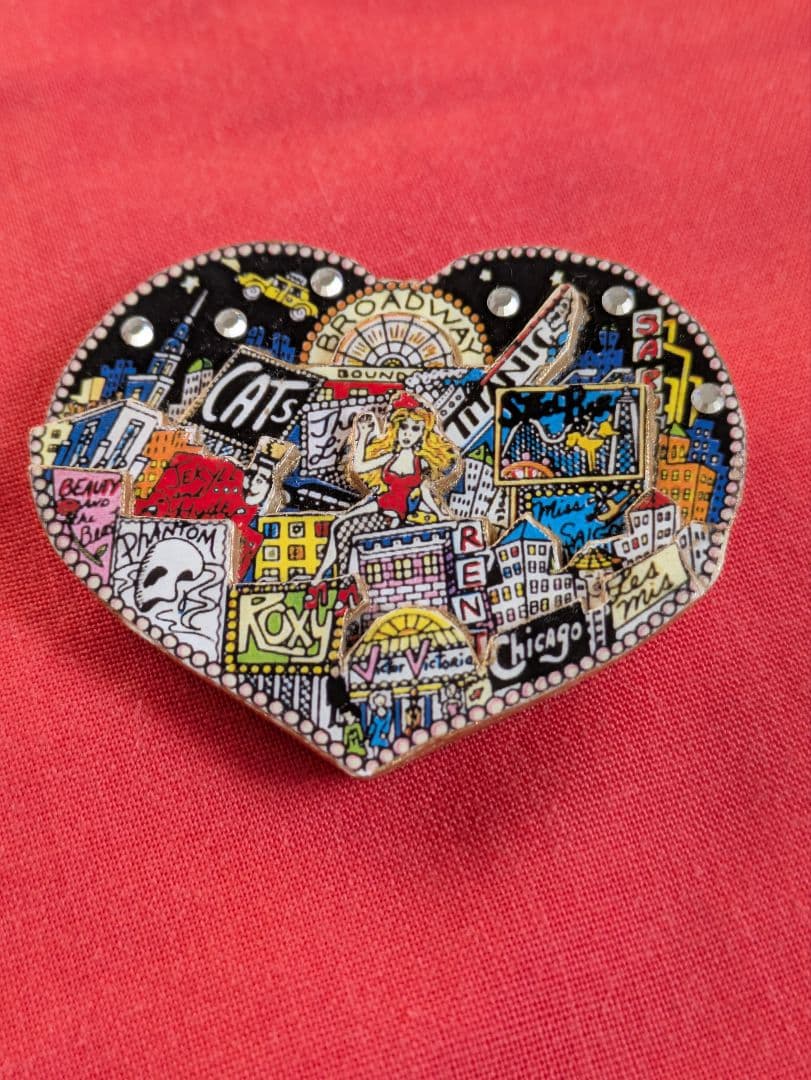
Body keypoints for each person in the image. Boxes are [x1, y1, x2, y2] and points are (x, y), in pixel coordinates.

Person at [309, 394, 459, 588]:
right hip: (377, 502)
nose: (408, 433)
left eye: (415, 429)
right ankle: (320, 577)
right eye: (404, 427)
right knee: (337, 524)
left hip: (393, 514)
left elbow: (425, 491)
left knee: (348, 532)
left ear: (423, 434)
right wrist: (363, 436)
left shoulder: (420, 463)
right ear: (396, 429)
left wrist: (441, 515)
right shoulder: (390, 457)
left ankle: (343, 579)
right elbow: (360, 467)